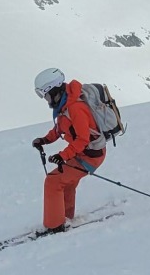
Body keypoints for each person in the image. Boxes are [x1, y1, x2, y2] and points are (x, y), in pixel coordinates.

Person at [30, 67, 107, 233]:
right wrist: (45, 140)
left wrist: (62, 155)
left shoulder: (75, 108)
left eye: (47, 95)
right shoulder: (65, 105)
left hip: (90, 155)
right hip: (83, 153)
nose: (47, 100)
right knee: (66, 182)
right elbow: (60, 129)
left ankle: (54, 225)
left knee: (53, 181)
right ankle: (64, 217)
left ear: (55, 90)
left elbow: (82, 139)